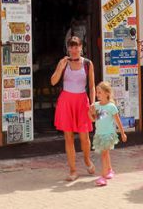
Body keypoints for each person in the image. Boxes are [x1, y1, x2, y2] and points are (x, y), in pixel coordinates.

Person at [51, 36, 96, 181]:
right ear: (68, 48)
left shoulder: (88, 64)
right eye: (72, 46)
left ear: (81, 48)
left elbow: (92, 86)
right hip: (66, 101)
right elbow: (53, 81)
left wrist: (93, 104)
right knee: (68, 137)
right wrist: (60, 67)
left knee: (84, 137)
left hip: (82, 101)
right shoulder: (63, 62)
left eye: (77, 46)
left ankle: (87, 160)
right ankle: (73, 170)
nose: (74, 49)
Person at [90, 81, 128, 186]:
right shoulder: (97, 106)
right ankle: (110, 170)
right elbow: (94, 120)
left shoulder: (111, 107)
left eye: (100, 92)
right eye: (97, 93)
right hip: (99, 134)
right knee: (105, 154)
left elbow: (118, 121)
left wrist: (123, 133)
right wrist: (90, 112)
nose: (97, 95)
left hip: (108, 135)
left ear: (107, 93)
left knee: (104, 154)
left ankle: (103, 177)